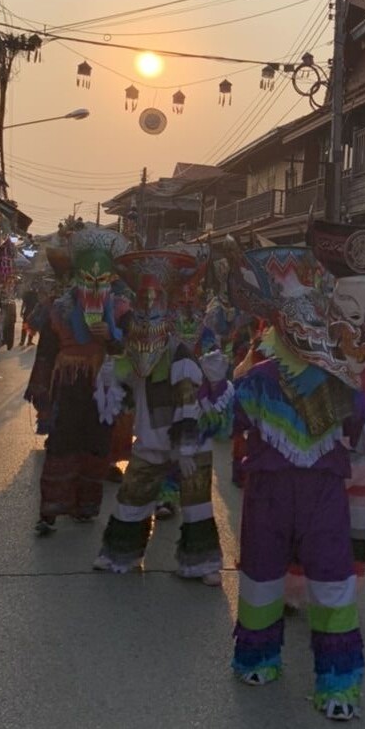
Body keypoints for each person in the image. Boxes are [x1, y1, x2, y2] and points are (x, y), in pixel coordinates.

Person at [228, 243, 365, 721]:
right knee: (260, 577)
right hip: (268, 496)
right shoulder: (258, 380)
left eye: (315, 320)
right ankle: (257, 655)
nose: (308, 329)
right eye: (298, 321)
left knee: (334, 582)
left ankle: (338, 679)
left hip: (323, 497)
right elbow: (223, 421)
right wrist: (208, 391)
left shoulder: (340, 381)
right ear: (281, 326)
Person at [93, 248, 226, 584]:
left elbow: (187, 399)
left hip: (189, 439)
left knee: (196, 502)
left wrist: (185, 448)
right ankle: (120, 553)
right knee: (133, 494)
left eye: (155, 303)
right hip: (151, 438)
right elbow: (124, 387)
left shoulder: (179, 352)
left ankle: (203, 564)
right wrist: (109, 378)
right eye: (143, 303)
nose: (148, 309)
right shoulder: (135, 350)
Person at [28, 225, 129, 535]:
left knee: (97, 444)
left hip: (103, 388)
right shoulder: (59, 309)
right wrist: (41, 388)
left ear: (111, 279)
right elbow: (46, 352)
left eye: (102, 280)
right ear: (76, 277)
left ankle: (86, 505)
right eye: (88, 279)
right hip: (68, 385)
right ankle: (50, 509)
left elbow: (131, 351)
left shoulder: (121, 310)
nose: (94, 286)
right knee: (62, 442)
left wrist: (111, 337)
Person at [20, 283, 39, 348]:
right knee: (29, 326)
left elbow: (24, 303)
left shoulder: (33, 294)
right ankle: (26, 341)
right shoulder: (34, 294)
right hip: (31, 312)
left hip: (30, 312)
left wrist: (21, 311)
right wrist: (21, 311)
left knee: (29, 326)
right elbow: (24, 303)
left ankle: (25, 341)